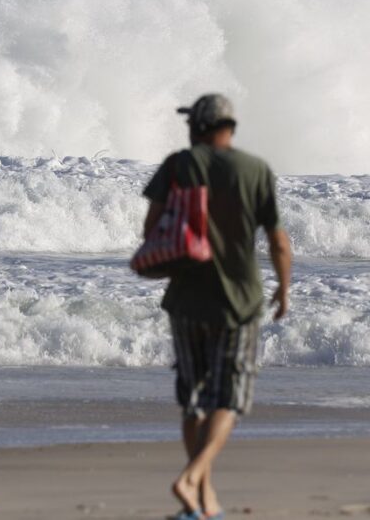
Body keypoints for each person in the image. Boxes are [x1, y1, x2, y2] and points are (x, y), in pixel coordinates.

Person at [141, 93, 292, 520]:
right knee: (230, 398)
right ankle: (194, 481)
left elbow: (151, 229)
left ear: (199, 126)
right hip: (238, 302)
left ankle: (202, 501)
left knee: (194, 400)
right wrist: (284, 289)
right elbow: (278, 240)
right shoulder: (255, 170)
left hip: (186, 300)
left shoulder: (178, 165)